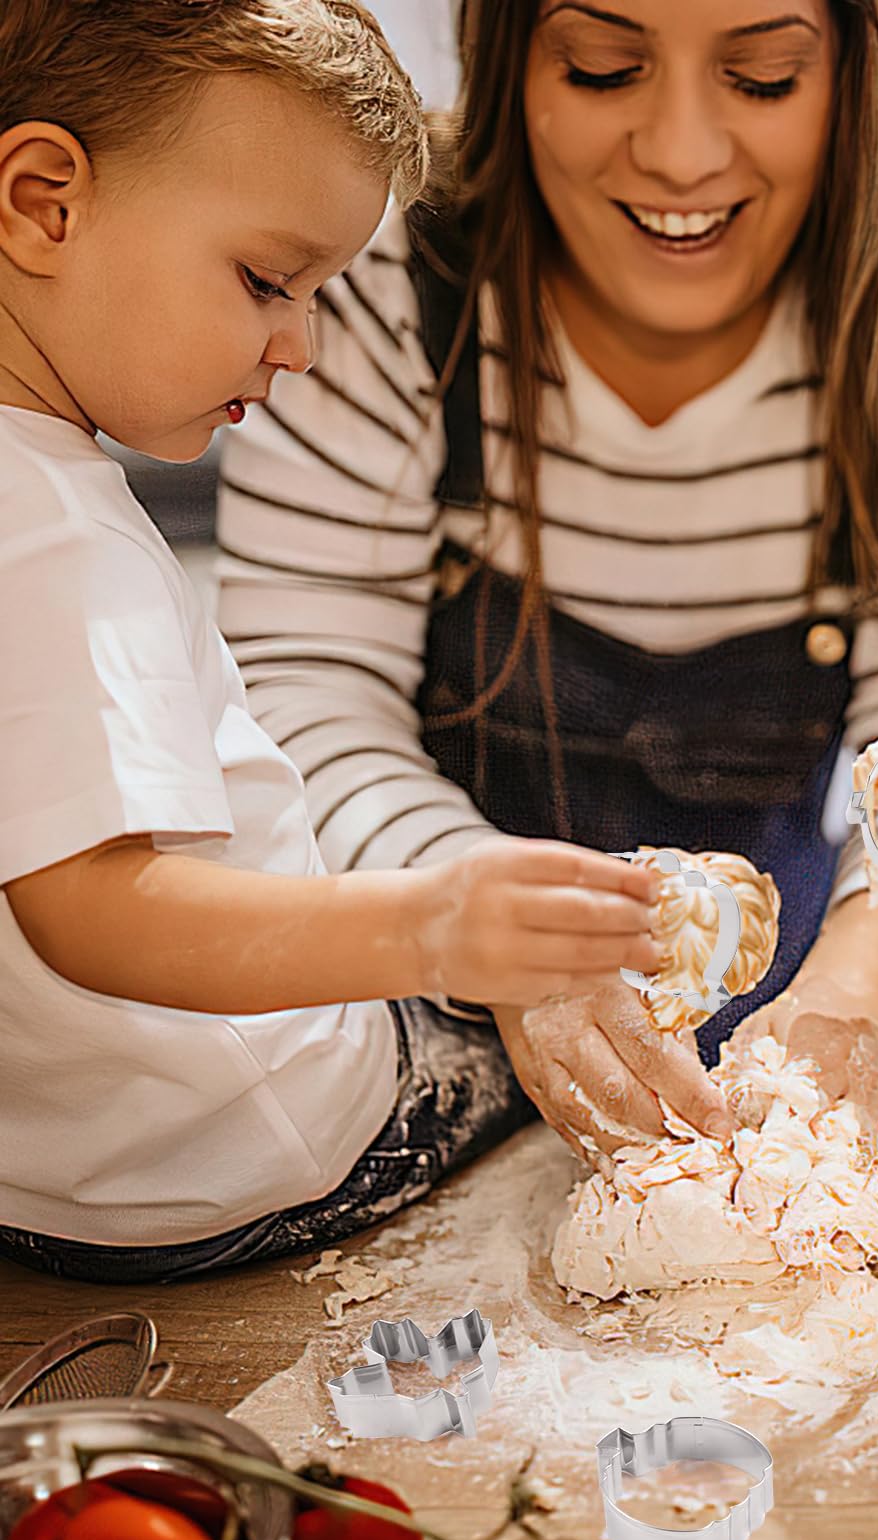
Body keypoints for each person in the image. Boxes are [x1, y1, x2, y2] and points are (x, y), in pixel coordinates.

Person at [216, 0, 878, 1172]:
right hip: (409, 1039)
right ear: (506, 57)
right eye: (603, 68)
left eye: (763, 78)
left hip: (765, 1042)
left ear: (857, 76)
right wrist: (501, 940)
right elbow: (305, 698)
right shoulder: (385, 283)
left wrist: (858, 998)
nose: (680, 153)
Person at [0, 0, 671, 1282]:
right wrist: (434, 926)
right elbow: (94, 911)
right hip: (248, 1159)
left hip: (50, 1183)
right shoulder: (52, 537)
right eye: (267, 281)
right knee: (581, 1060)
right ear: (45, 204)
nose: (299, 346)